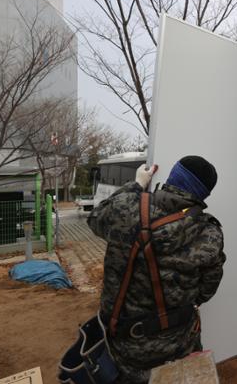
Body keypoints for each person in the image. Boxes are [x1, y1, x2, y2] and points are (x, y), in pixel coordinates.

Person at [87, 156, 225, 383]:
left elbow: (95, 218)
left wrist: (137, 184)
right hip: (181, 343)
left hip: (128, 348)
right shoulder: (210, 232)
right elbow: (206, 290)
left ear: (173, 177)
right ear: (203, 194)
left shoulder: (128, 209)